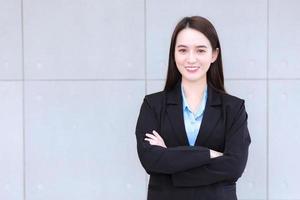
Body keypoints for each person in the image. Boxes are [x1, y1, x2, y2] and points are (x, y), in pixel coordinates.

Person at [135, 16, 251, 200]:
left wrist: (171, 164)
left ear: (214, 54)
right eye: (183, 50)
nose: (191, 59)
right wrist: (210, 154)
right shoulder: (153, 105)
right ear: (174, 54)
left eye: (200, 50)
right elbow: (151, 160)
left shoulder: (234, 108)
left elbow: (234, 165)